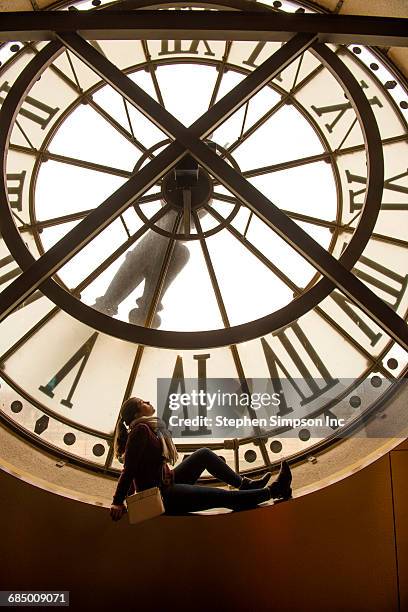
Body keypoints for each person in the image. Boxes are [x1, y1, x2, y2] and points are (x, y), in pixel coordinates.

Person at [110, 397, 292, 521]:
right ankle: (274, 491)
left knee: (204, 454)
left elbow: (137, 469)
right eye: (143, 402)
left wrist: (128, 498)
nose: (148, 402)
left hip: (166, 484)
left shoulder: (149, 429)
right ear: (136, 414)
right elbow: (130, 469)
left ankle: (246, 485)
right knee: (222, 497)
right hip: (163, 495)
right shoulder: (141, 431)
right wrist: (118, 501)